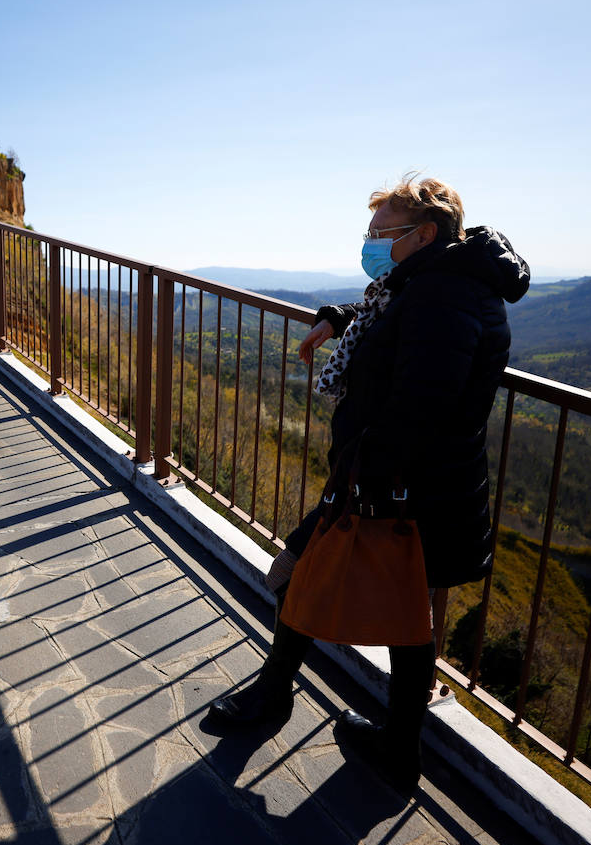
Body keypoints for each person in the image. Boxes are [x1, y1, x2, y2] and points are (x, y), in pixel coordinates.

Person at [205, 174, 530, 794]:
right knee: (409, 619)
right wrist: (339, 317)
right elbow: (395, 319)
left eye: (381, 234)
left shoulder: (447, 296)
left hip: (398, 483)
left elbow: (422, 402)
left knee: (300, 572)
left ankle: (275, 699)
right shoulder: (435, 283)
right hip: (416, 483)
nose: (370, 244)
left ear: (424, 235)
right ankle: (396, 748)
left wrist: (360, 477)